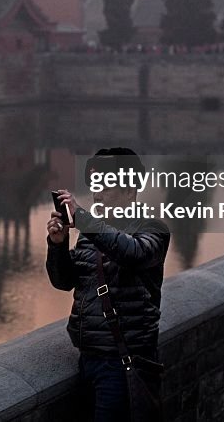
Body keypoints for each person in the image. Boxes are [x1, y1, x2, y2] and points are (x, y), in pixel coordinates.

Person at [46, 147, 171, 422]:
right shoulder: (92, 235)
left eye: (106, 186)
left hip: (124, 363)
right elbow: (64, 281)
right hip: (88, 358)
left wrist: (84, 220)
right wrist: (57, 245)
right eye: (95, 186)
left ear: (130, 191)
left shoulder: (152, 230)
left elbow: (132, 253)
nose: (98, 195)